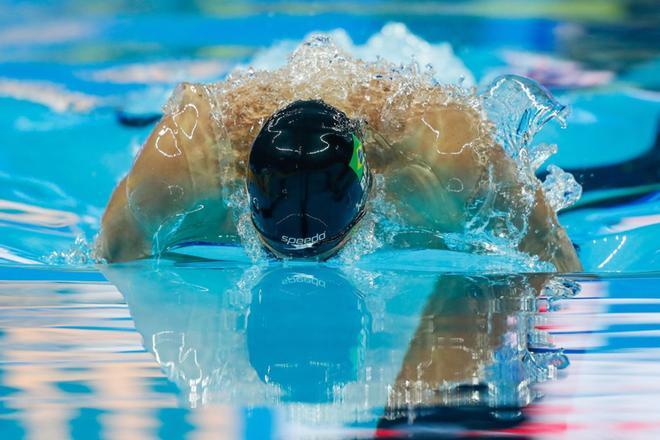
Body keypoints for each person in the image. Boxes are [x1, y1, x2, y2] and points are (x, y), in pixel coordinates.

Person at [95, 42, 582, 272]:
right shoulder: (183, 156)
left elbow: (557, 256)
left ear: (370, 190)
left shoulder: (452, 157)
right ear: (245, 191)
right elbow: (113, 258)